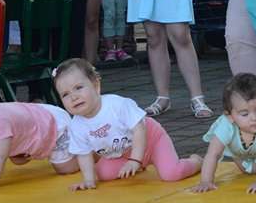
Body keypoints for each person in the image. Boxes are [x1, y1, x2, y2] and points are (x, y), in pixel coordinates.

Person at [53, 58, 202, 190]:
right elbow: (84, 154)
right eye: (65, 94)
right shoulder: (76, 125)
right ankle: (138, 165)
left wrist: (135, 160)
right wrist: (88, 180)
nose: (73, 97)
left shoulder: (116, 105)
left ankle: (196, 161)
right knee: (102, 174)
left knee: (171, 174)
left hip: (151, 140)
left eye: (78, 88)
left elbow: (139, 129)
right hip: (122, 154)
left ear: (96, 85)